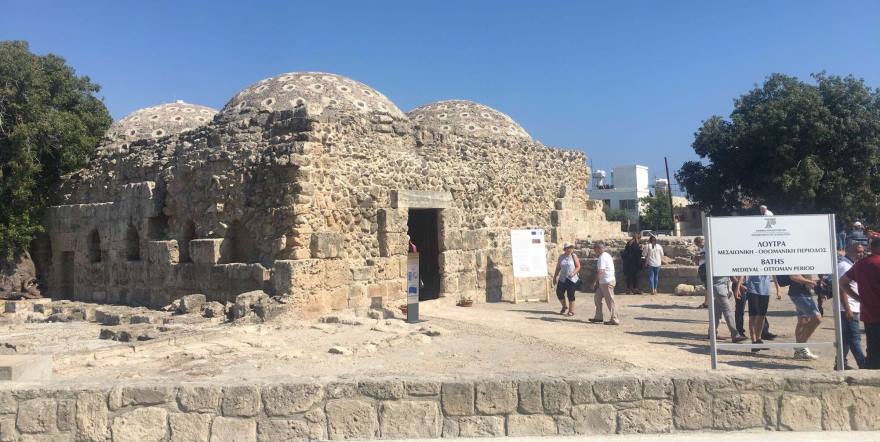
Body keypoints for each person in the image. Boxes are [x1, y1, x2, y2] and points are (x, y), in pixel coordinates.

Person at [840, 237, 880, 370]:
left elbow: (842, 282)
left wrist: (859, 298)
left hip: (869, 314)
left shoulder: (860, 264)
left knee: (873, 351)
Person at [838, 242, 867, 369]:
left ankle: (840, 363)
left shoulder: (852, 264)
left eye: (862, 252)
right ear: (849, 251)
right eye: (858, 251)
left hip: (852, 306)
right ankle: (863, 364)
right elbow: (841, 289)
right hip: (847, 307)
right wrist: (847, 309)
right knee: (855, 337)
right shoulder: (844, 266)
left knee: (846, 338)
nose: (861, 254)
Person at [734, 275, 776, 351]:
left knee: (762, 316)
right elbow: (743, 272)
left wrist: (777, 287)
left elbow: (773, 272)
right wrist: (738, 286)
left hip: (765, 289)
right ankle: (754, 342)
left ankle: (758, 339)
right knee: (753, 315)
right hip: (752, 289)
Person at [787, 274, 822, 360]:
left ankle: (799, 352)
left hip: (802, 293)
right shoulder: (797, 265)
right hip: (799, 294)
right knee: (817, 319)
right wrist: (811, 282)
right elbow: (793, 276)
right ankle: (801, 346)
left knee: (803, 321)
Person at [589, 241, 619, 325]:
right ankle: (598, 317)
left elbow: (601, 271)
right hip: (604, 282)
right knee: (597, 298)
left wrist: (595, 282)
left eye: (595, 249)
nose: (594, 251)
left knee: (610, 301)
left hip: (606, 282)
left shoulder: (602, 257)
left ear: (598, 249)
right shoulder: (606, 255)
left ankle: (614, 319)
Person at [710, 276, 747, 342]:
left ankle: (711, 333)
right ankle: (735, 335)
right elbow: (732, 277)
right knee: (728, 311)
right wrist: (740, 286)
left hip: (720, 288)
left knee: (717, 313)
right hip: (719, 288)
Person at [552, 243, 581, 316]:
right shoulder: (561, 257)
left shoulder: (574, 256)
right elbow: (558, 268)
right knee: (559, 293)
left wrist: (573, 273)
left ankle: (571, 311)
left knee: (570, 294)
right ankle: (564, 306)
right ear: (565, 249)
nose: (570, 249)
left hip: (572, 279)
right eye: (568, 248)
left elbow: (578, 266)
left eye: (571, 248)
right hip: (562, 278)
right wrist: (555, 277)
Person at [694, 237, 708, 308]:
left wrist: (698, 257)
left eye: (698, 244)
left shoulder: (706, 247)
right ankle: (706, 302)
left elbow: (707, 256)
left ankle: (707, 302)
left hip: (706, 268)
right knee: (706, 286)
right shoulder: (701, 249)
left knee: (708, 286)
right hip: (702, 267)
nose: (698, 246)